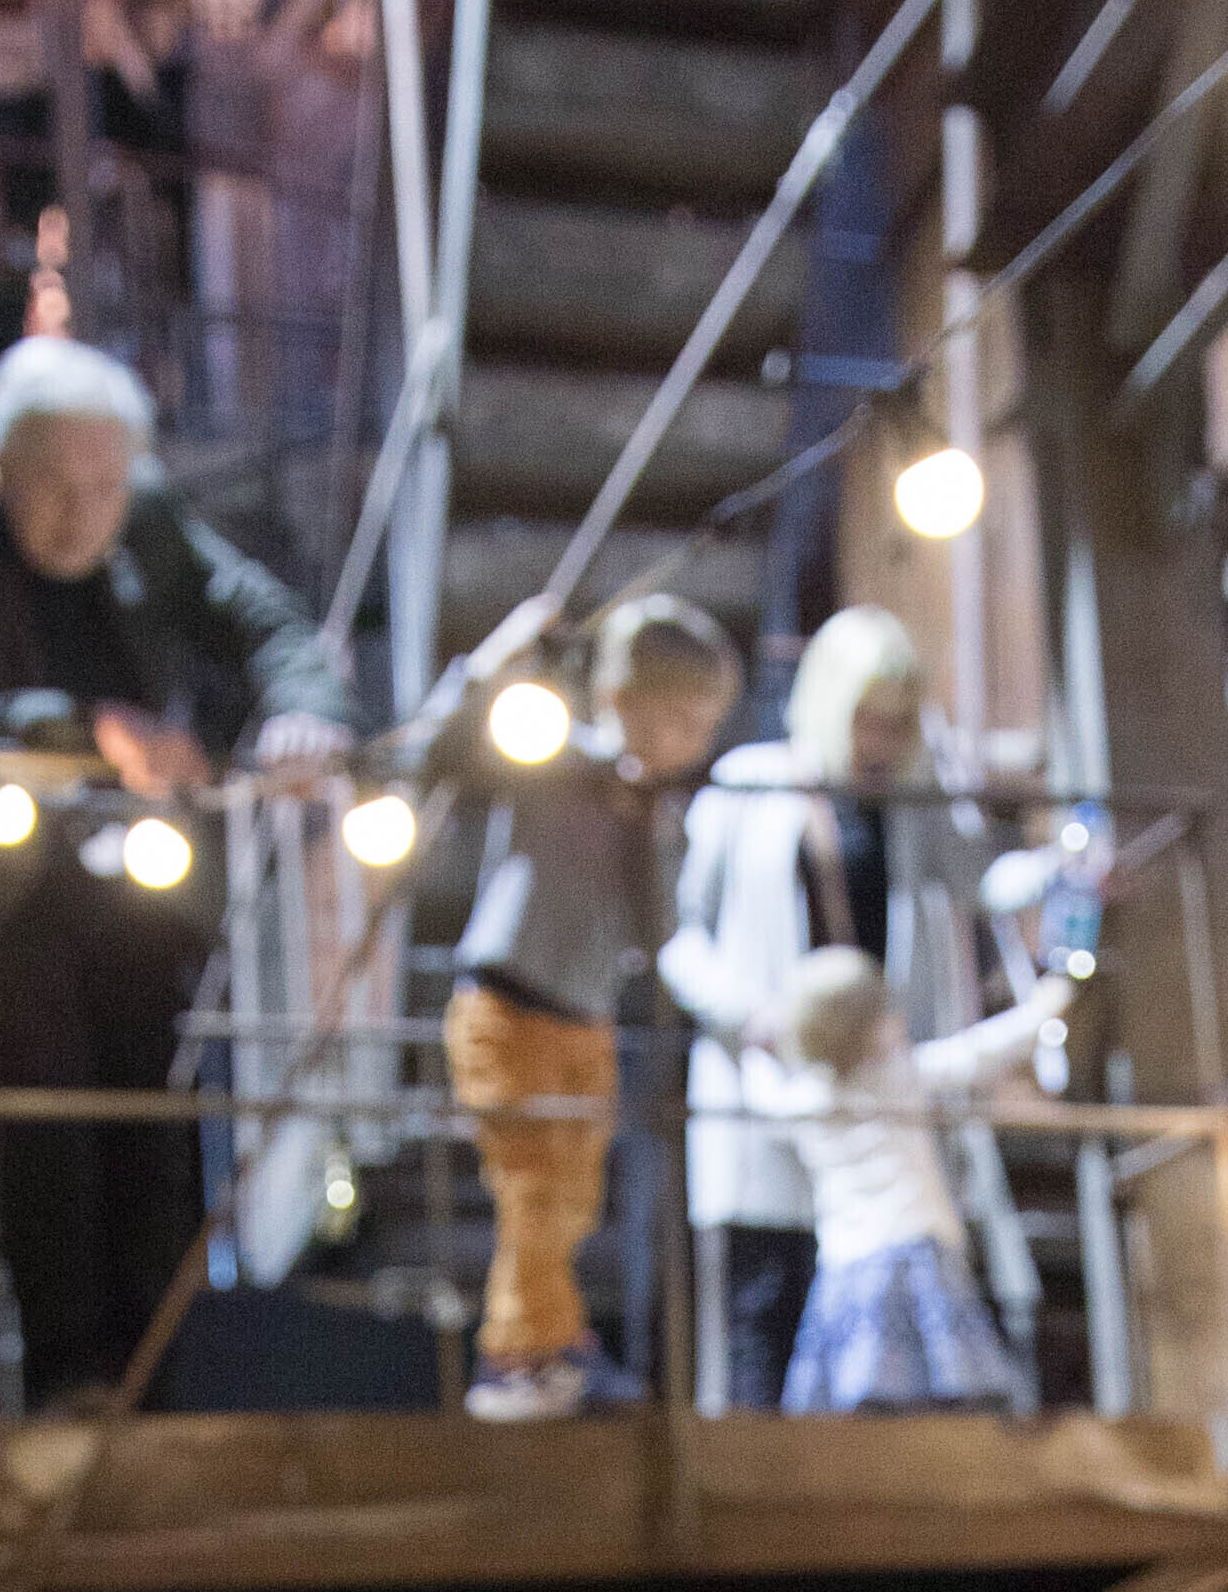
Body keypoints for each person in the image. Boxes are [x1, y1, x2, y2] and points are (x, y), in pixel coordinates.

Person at [0, 339, 354, 1401]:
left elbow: (266, 622)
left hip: (133, 877)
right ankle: (66, 1379)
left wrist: (305, 711)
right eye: (54, 485)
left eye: (106, 487)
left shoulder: (148, 516)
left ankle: (154, 1381)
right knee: (47, 1119)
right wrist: (90, 727)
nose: (84, 516)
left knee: (156, 1116)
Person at [661, 605, 1032, 1409]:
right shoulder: (747, 785)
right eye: (868, 719)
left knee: (889, 1352)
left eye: (897, 724)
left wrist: (1065, 873)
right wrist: (752, 1018)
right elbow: (680, 940)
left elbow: (985, 880)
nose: (881, 742)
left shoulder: (919, 796)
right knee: (764, 1318)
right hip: (772, 1105)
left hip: (881, 1117)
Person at [388, 586, 741, 1417]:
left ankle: (551, 1342)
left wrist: (650, 828)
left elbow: (656, 931)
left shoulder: (654, 807)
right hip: (509, 1003)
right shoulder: (557, 756)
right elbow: (438, 752)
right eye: (679, 720)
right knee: (533, 1188)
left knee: (574, 1197)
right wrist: (495, 663)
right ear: (620, 701)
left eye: (705, 726)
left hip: (586, 1016)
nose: (693, 743)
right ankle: (519, 1355)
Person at [750, 948, 1051, 1414]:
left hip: (848, 1260)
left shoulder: (807, 1098)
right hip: (914, 1244)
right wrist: (1045, 1008)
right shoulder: (898, 1077)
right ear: (867, 1025)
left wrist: (756, 1051)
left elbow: (763, 1098)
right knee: (940, 1390)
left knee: (861, 1395)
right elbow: (977, 1053)